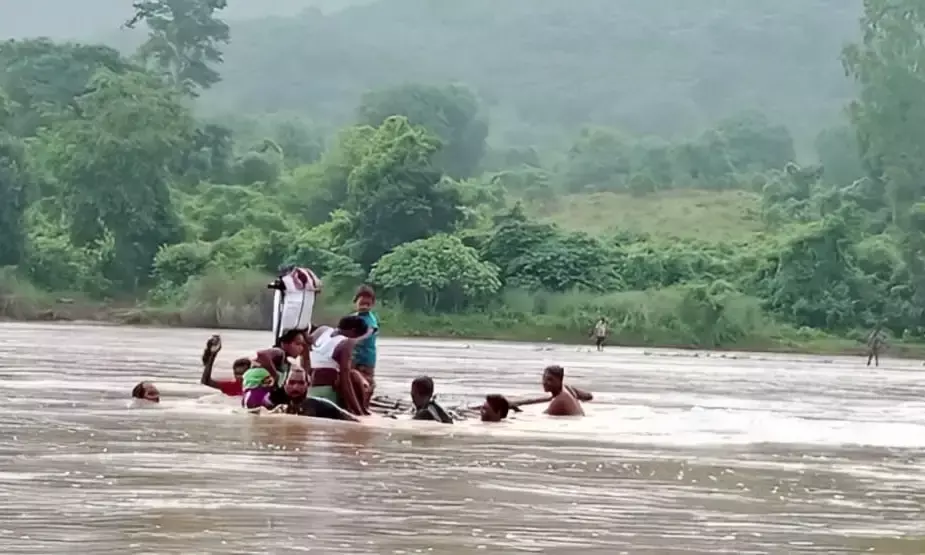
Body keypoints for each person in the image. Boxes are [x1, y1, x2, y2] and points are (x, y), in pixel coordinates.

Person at [307, 315, 371, 416]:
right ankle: (362, 408)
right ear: (353, 331)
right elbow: (346, 382)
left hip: (310, 390)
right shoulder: (346, 343)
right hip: (327, 394)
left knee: (353, 374)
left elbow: (306, 351)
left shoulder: (322, 330)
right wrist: (359, 413)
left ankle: (362, 407)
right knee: (353, 375)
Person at [254, 328, 308, 406]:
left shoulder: (287, 363)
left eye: (302, 345)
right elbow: (261, 354)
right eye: (298, 344)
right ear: (284, 344)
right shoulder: (279, 352)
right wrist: (274, 375)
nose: (301, 348)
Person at [284, 368, 360, 422]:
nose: (295, 387)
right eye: (291, 382)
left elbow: (354, 421)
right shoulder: (282, 409)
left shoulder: (320, 405)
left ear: (308, 385)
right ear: (285, 385)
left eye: (301, 383)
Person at [352, 285, 379, 395]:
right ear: (355, 301)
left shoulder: (370, 320)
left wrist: (355, 340)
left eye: (367, 304)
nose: (364, 307)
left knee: (365, 383)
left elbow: (370, 331)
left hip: (366, 360)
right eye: (362, 303)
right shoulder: (354, 317)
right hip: (354, 357)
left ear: (372, 304)